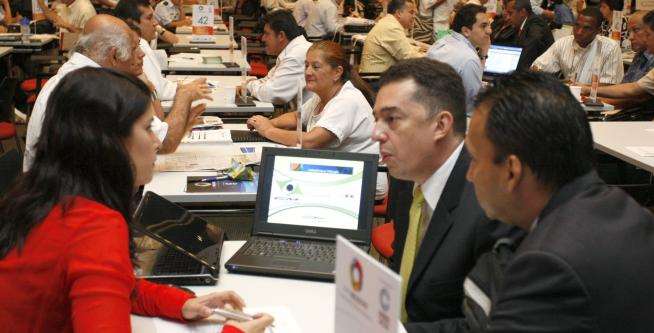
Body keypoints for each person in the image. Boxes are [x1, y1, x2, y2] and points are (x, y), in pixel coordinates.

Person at [0, 67, 273, 333]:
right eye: (147, 128)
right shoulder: (94, 227)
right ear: (111, 142)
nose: (156, 141)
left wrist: (183, 303)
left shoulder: (47, 196)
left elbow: (115, 284)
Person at [460, 71, 654, 332]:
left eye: (475, 160)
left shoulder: (547, 265)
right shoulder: (622, 210)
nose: (469, 174)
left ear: (512, 171)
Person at [371, 58, 519, 332]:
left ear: (441, 125)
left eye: (392, 119)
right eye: (376, 119)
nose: (376, 134)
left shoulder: (491, 204)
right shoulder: (408, 178)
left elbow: (486, 326)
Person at [24, 14, 210, 170]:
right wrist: (183, 96)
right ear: (113, 56)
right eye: (133, 48)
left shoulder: (70, 76)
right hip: (70, 207)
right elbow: (162, 143)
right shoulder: (98, 89)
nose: (141, 54)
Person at [247, 41, 387, 198]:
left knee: (279, 183)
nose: (307, 72)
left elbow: (310, 141)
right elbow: (297, 116)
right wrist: (270, 122)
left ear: (337, 72)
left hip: (363, 178)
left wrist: (268, 130)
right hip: (339, 167)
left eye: (315, 66)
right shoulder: (323, 93)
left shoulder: (347, 100)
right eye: (306, 65)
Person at [581, 7, 654, 120]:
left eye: (648, 35)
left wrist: (591, 97)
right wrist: (588, 90)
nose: (630, 37)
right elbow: (632, 88)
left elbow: (637, 97)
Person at [531, 7, 623, 84]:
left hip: (597, 101)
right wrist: (556, 81)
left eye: (586, 28)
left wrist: (581, 88)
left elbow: (610, 86)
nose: (579, 32)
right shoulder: (563, 43)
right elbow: (536, 67)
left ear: (598, 31)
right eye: (577, 25)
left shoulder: (610, 48)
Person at [427, 4, 491, 113]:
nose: (489, 31)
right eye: (483, 26)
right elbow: (472, 106)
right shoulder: (469, 58)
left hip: (430, 110)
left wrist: (483, 52)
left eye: (489, 25)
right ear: (466, 31)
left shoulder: (442, 41)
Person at [243, 10, 312, 104]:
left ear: (281, 36)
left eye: (267, 34)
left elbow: (271, 94)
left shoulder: (296, 56)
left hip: (311, 118)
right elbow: (268, 80)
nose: (263, 38)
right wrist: (253, 85)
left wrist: (249, 85)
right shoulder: (292, 50)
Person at [359, 0, 426, 74]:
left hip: (376, 75)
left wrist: (418, 49)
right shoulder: (392, 27)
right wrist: (431, 55)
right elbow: (408, 58)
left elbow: (401, 47)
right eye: (411, 12)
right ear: (399, 13)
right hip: (375, 79)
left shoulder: (389, 22)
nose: (414, 17)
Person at [503, 0, 553, 70]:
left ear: (522, 12)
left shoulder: (536, 24)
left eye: (510, 13)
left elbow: (530, 46)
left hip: (539, 74)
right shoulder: (521, 24)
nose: (508, 17)